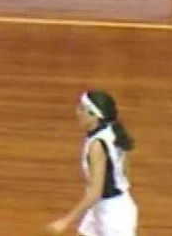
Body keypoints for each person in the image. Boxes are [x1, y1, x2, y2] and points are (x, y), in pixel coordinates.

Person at [46, 90, 138, 236]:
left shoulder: (97, 145)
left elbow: (95, 191)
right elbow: (126, 171)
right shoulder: (113, 132)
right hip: (107, 207)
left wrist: (66, 221)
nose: (77, 112)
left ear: (94, 115)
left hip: (112, 215)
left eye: (82, 109)